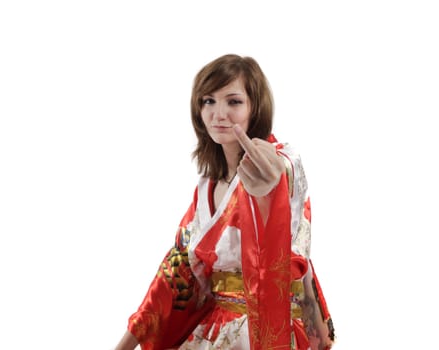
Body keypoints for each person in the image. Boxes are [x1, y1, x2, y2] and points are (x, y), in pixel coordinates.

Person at [115, 54, 335, 350]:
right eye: (208, 101)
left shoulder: (282, 162)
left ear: (254, 107)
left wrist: (270, 186)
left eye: (233, 102)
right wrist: (126, 343)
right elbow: (178, 268)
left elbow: (280, 175)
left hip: (268, 329)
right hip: (217, 330)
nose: (219, 113)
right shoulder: (206, 185)